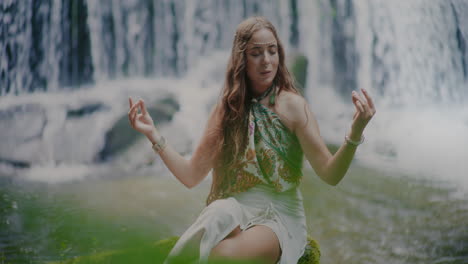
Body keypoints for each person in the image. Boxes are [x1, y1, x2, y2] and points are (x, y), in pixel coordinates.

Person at [128, 16, 375, 264]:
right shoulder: (226, 110)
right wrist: (153, 134)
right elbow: (191, 175)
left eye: (272, 51)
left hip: (278, 217)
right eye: (256, 53)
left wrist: (355, 132)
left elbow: (330, 174)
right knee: (214, 214)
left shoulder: (293, 106)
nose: (266, 60)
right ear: (241, 59)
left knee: (221, 256)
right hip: (235, 207)